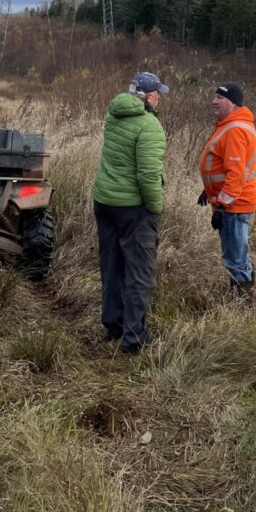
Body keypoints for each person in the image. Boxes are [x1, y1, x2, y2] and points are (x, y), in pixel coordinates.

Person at [92, 70, 169, 353]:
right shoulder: (149, 126)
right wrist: (156, 208)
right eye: (157, 93)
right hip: (133, 208)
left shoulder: (114, 115)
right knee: (140, 273)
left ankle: (113, 324)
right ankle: (134, 336)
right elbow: (148, 175)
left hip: (105, 201)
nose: (159, 97)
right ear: (148, 97)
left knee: (112, 265)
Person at [197, 82, 256, 299]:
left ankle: (242, 306)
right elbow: (223, 166)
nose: (214, 101)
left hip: (235, 205)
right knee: (236, 255)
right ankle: (240, 298)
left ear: (232, 103)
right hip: (232, 202)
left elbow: (236, 174)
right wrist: (209, 190)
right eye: (214, 97)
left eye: (220, 98)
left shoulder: (235, 129)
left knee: (235, 258)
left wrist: (222, 205)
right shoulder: (229, 124)